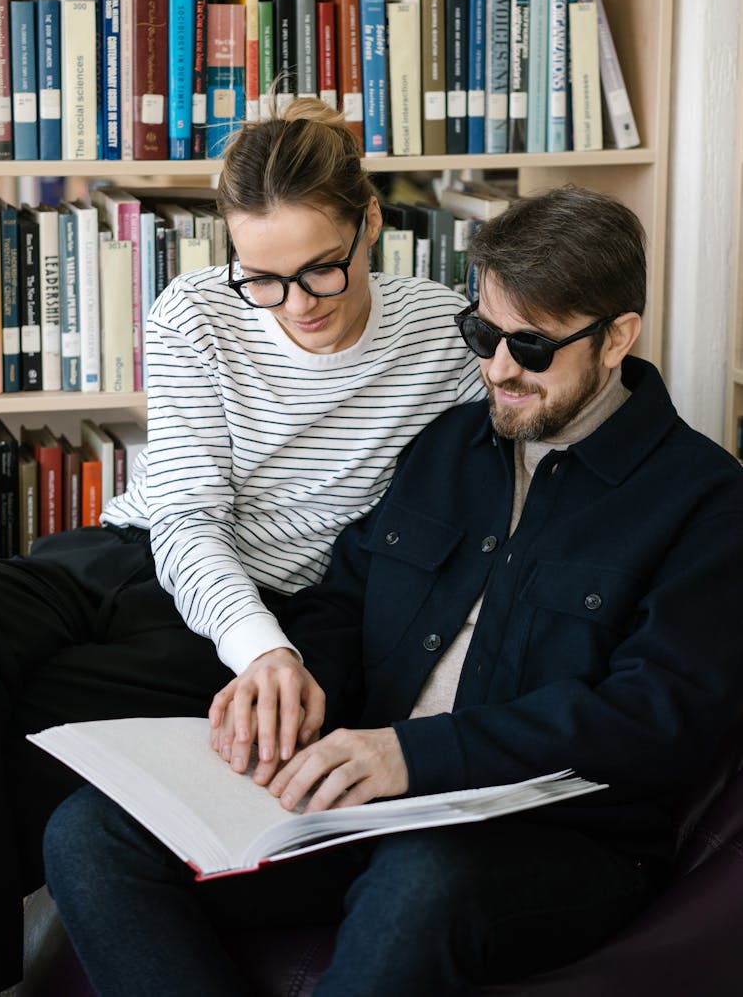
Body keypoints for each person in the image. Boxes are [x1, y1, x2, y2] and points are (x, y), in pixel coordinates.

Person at [42, 184, 743, 996]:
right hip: (363, 804)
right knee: (91, 832)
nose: (500, 370)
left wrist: (412, 755)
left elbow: (658, 716)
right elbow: (347, 602)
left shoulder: (704, 499)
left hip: (556, 840)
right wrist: (292, 688)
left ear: (618, 335)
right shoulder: (449, 446)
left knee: (422, 876)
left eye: (534, 347)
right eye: (482, 334)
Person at [0, 99, 483, 991]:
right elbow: (184, 516)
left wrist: (273, 650)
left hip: (272, 607)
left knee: (46, 721)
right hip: (137, 552)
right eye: (261, 276)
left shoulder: (445, 340)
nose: (295, 306)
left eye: (321, 271)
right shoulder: (194, 310)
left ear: (370, 220)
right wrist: (257, 647)